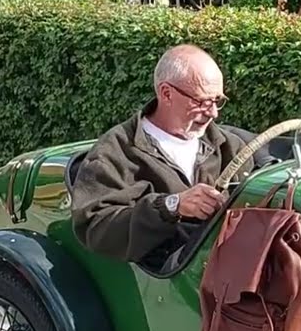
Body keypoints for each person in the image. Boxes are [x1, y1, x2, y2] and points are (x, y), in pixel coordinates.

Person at [71, 44, 262, 264]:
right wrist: (172, 206)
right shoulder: (116, 152)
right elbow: (95, 228)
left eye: (217, 100)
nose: (213, 113)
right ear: (166, 93)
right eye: (201, 102)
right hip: (167, 280)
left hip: (228, 270)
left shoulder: (228, 145)